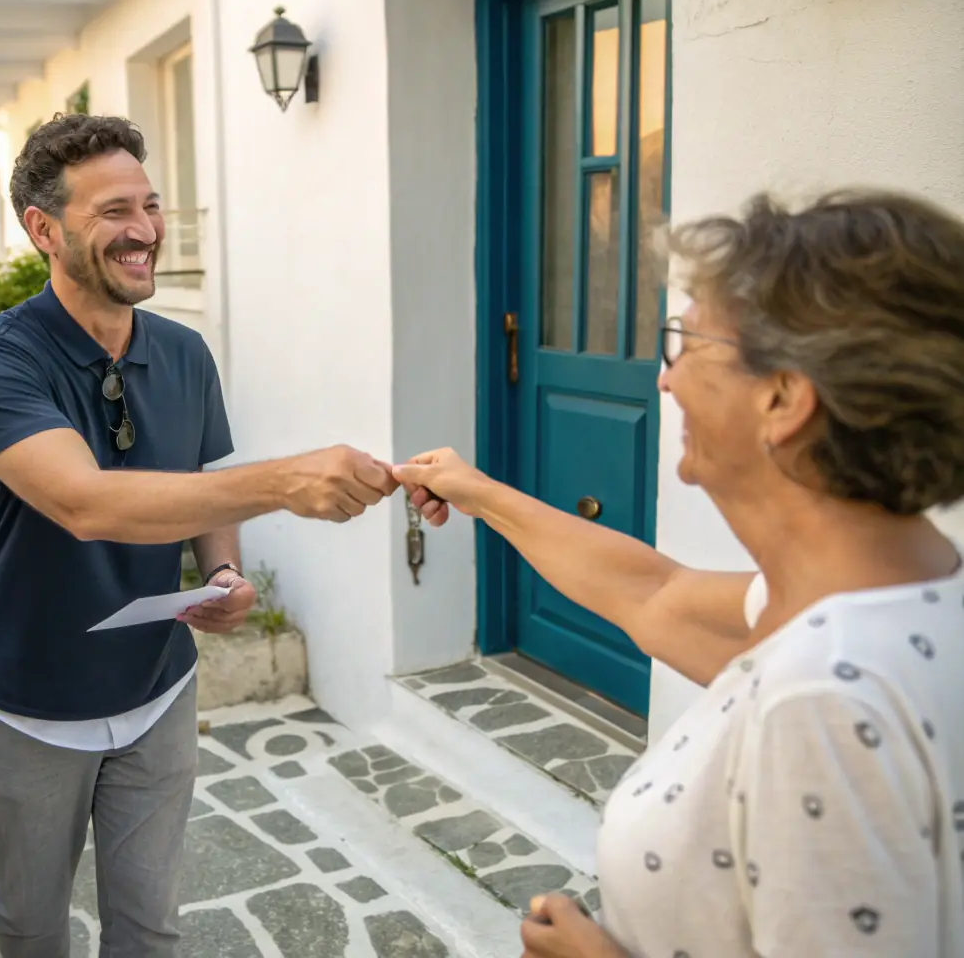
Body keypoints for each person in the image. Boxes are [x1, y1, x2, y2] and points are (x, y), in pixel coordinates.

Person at [394, 190, 964, 958]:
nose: (664, 382)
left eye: (684, 345)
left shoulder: (820, 694)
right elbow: (655, 594)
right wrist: (480, 493)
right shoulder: (889, 596)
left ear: (782, 398)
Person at [0, 112, 397, 958]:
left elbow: (203, 483)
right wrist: (286, 482)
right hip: (31, 707)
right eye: (115, 211)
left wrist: (223, 572)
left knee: (151, 927)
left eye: (149, 206)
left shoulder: (186, 353)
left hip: (158, 691)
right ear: (44, 229)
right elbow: (84, 503)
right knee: (32, 925)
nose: (145, 230)